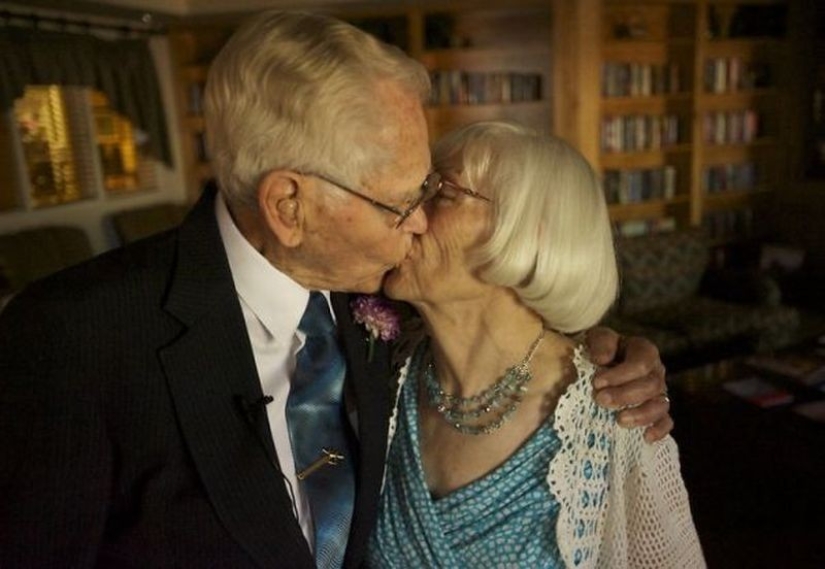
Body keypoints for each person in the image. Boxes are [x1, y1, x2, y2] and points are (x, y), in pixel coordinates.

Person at [0, 11, 670, 569]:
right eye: (402, 200)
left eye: (430, 190)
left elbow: (509, 320)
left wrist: (612, 355)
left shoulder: (377, 300)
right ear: (289, 207)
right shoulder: (70, 338)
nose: (418, 222)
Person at [368, 121, 705, 568]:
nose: (407, 211)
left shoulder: (610, 418)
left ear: (531, 234)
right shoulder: (381, 367)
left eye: (442, 192)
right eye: (420, 188)